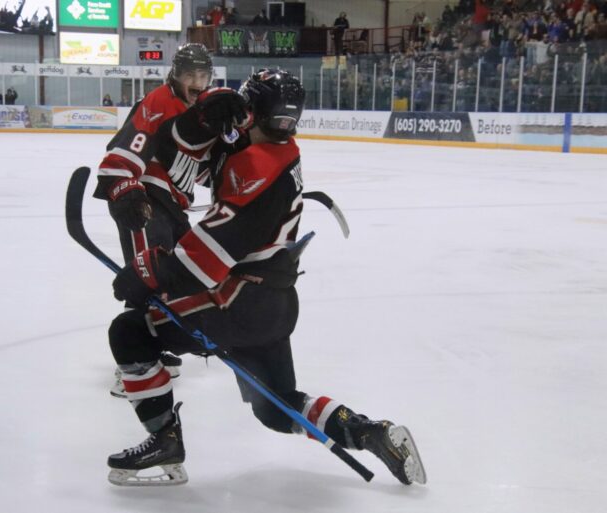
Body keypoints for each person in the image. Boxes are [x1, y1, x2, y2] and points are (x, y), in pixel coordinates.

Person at [104, 69, 427, 487]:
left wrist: (146, 273)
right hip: (273, 303)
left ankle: (164, 438)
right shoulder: (272, 146)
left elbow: (203, 261)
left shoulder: (257, 169)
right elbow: (193, 156)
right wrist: (199, 119)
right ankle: (372, 432)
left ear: (253, 109)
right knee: (277, 409)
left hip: (237, 303)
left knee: (130, 331)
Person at [93, 44, 235, 397]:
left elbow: (203, 172)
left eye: (202, 75)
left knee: (175, 276)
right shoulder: (159, 102)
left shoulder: (205, 112)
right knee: (147, 275)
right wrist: (126, 189)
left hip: (173, 204)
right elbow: (126, 149)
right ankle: (132, 365)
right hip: (145, 198)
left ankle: (154, 348)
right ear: (175, 75)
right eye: (190, 75)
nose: (196, 81)